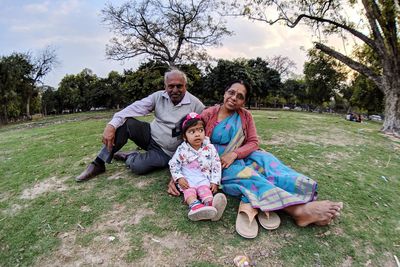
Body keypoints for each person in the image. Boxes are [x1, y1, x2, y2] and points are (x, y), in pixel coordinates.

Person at [168, 80, 343, 238]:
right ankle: (299, 211)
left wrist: (235, 154)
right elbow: (187, 143)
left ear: (244, 101)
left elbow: (253, 142)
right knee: (248, 175)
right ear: (224, 93)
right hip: (214, 163)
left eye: (240, 96)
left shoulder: (245, 116)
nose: (233, 98)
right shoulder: (208, 114)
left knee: (266, 160)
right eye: (231, 92)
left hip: (238, 154)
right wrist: (177, 176)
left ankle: (302, 190)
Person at [76, 69, 205, 182]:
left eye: (179, 86)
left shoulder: (195, 104)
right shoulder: (158, 97)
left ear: (185, 86)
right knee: (126, 123)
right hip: (150, 135)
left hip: (166, 152)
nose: (175, 90)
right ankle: (98, 163)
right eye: (171, 86)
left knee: (138, 167)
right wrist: (111, 125)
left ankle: (129, 156)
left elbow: (206, 126)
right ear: (165, 86)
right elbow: (133, 108)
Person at [169, 112, 227, 221]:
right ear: (184, 137)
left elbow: (216, 164)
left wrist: (215, 181)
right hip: (187, 181)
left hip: (203, 179)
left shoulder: (209, 148)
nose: (197, 134)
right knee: (189, 193)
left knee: (206, 192)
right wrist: (179, 177)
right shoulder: (182, 149)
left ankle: (211, 206)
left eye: (200, 130)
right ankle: (196, 207)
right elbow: (173, 164)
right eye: (192, 131)